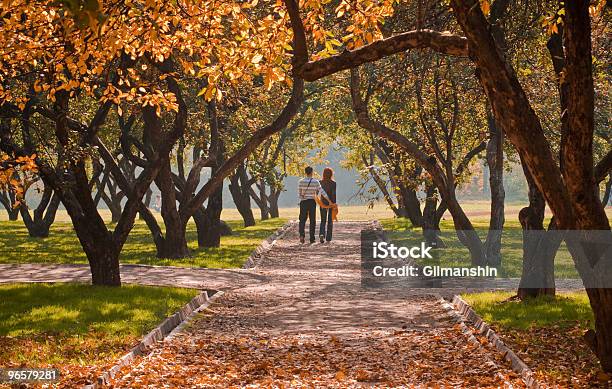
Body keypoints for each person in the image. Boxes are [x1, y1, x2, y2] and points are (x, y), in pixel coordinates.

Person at [298, 166, 329, 244]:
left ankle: (302, 235)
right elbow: (321, 191)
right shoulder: (315, 181)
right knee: (312, 220)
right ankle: (312, 238)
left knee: (302, 220)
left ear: (305, 172)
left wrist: (303, 196)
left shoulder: (301, 181)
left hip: (304, 202)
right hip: (312, 202)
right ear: (312, 172)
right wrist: (328, 199)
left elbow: (300, 194)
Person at [318, 167, 337, 243]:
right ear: (331, 174)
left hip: (323, 203)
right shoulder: (333, 183)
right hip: (331, 203)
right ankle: (328, 238)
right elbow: (333, 194)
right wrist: (334, 204)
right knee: (330, 221)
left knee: (323, 220)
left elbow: (318, 194)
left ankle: (322, 234)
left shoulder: (320, 182)